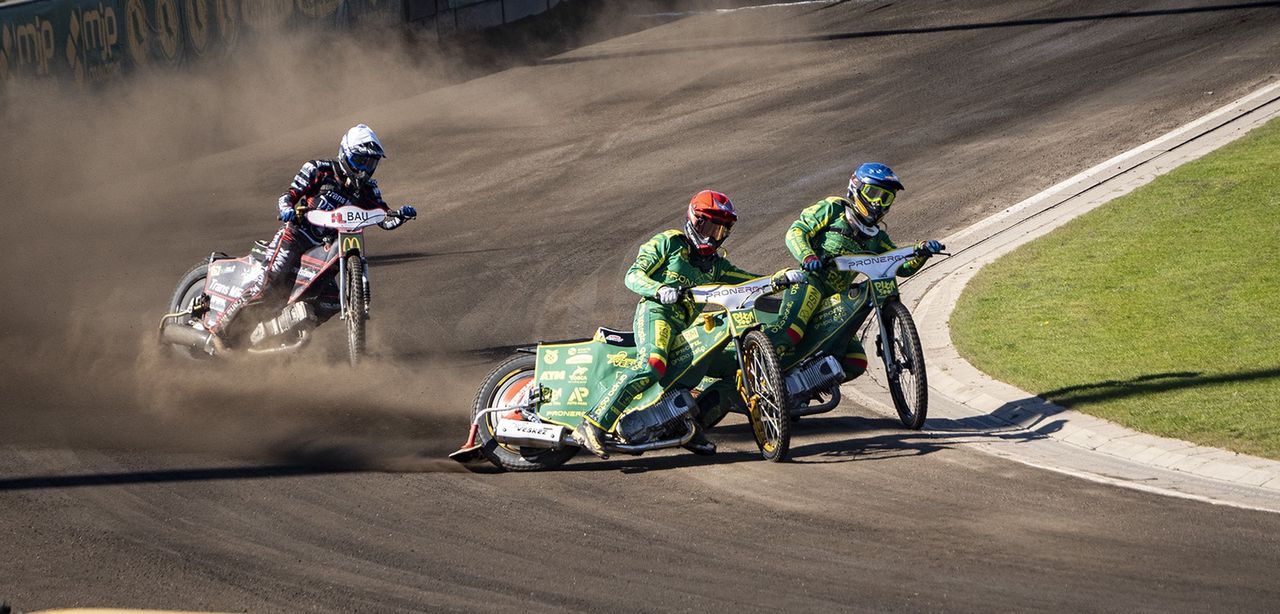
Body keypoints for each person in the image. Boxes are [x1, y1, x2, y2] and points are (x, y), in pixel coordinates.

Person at [572, 190, 803, 459]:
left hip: (685, 328)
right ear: (694, 220)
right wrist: (659, 289)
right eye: (708, 227)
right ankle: (593, 423)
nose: (711, 236)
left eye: (719, 231)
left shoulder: (717, 266)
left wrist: (779, 278)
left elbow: (748, 281)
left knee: (735, 370)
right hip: (657, 312)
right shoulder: (669, 243)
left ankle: (688, 427)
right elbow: (633, 275)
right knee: (652, 364)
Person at [210, 124, 417, 342]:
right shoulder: (319, 168)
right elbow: (288, 195)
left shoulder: (369, 189)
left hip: (324, 248)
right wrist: (287, 210)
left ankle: (277, 334)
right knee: (269, 285)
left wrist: (400, 216)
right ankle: (221, 331)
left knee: (330, 302)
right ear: (345, 154)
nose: (365, 170)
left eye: (371, 163)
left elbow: (383, 218)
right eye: (360, 161)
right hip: (296, 236)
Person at [772, 162, 943, 380]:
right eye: (873, 193)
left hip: (839, 299)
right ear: (856, 188)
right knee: (789, 332)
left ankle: (800, 386)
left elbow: (901, 266)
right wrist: (807, 256)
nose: (878, 203)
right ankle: (756, 370)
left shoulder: (877, 237)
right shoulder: (833, 208)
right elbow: (796, 231)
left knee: (856, 362)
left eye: (886, 198)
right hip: (810, 283)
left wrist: (921, 252)